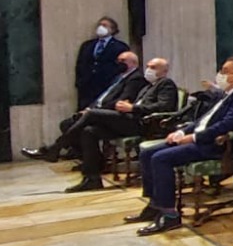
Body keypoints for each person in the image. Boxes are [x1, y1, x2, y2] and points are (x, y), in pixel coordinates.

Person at [125, 57, 233, 236]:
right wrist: (182, 132)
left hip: (214, 145)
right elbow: (203, 121)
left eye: (225, 71)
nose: (220, 74)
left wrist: (193, 137)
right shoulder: (226, 94)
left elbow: (225, 126)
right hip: (200, 137)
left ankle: (169, 215)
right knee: (147, 153)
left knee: (160, 159)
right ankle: (154, 204)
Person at [60, 57, 180, 192]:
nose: (148, 70)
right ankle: (91, 178)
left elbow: (164, 106)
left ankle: (58, 146)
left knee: (92, 114)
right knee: (89, 131)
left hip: (144, 124)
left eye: (153, 67)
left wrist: (133, 108)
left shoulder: (166, 84)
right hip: (130, 120)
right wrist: (125, 106)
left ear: (164, 71)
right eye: (147, 66)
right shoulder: (147, 86)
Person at [24, 49, 144, 162]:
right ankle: (91, 161)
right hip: (101, 112)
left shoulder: (135, 78)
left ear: (133, 63)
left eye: (122, 61)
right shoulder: (118, 78)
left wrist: (95, 110)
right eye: (118, 60)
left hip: (117, 116)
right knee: (68, 124)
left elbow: (121, 101)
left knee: (88, 118)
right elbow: (103, 97)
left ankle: (54, 148)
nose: (118, 63)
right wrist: (90, 107)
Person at [74, 16, 127, 110]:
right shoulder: (87, 45)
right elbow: (80, 65)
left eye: (105, 25)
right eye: (99, 25)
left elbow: (121, 67)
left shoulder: (120, 47)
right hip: (87, 87)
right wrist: (80, 82)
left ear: (112, 29)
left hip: (106, 85)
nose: (100, 27)